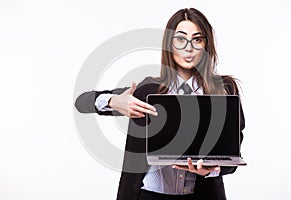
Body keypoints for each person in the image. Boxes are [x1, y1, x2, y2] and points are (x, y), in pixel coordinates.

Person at [75, 8, 245, 200]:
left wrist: (210, 170)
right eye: (180, 39)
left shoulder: (224, 89)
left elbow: (233, 150)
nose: (188, 48)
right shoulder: (148, 90)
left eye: (197, 39)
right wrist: (115, 102)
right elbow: (82, 102)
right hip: (148, 195)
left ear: (206, 45)